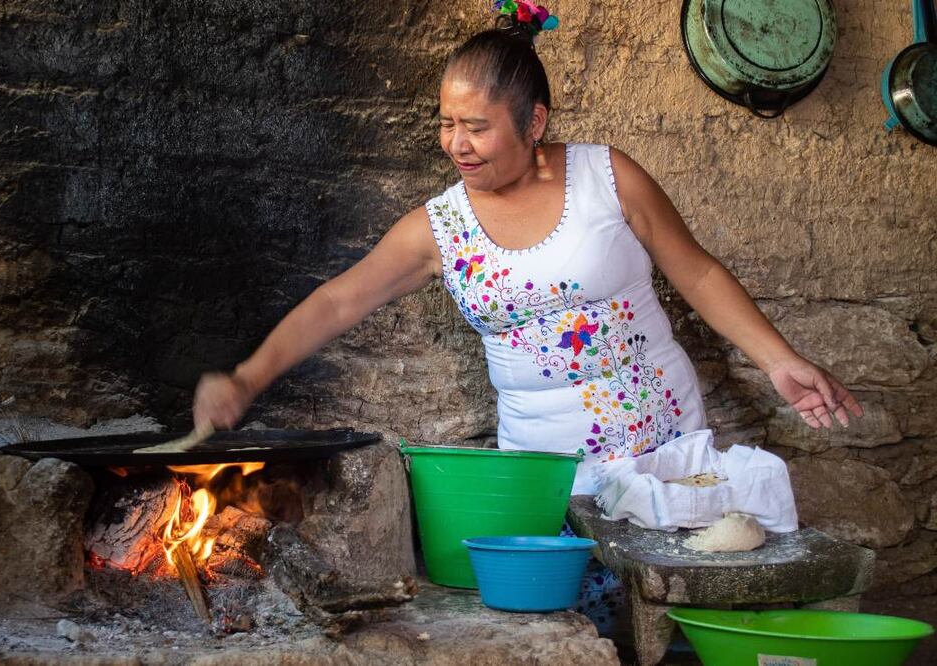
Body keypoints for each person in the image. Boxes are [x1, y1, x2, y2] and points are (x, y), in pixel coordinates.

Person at [191, 4, 863, 632]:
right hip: (548, 479)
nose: (458, 144)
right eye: (447, 123)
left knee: (674, 617)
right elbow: (340, 300)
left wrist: (779, 361)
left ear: (534, 122)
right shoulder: (442, 227)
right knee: (581, 630)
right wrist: (249, 378)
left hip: (661, 455)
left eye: (478, 127)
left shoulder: (609, 177)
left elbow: (698, 272)